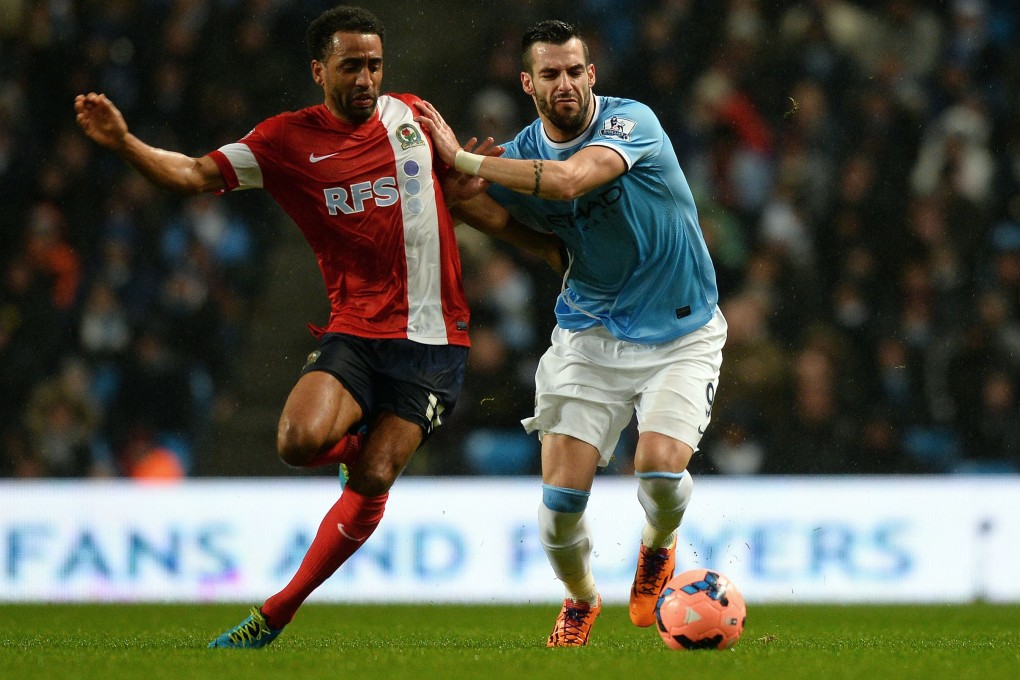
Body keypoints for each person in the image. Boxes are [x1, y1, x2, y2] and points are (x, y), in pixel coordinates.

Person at [75, 5, 559, 649]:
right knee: (297, 442)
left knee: (379, 478)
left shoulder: (414, 116)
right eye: (351, 65)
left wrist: (548, 249)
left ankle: (273, 616)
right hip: (356, 330)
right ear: (319, 70)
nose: (366, 78)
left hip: (437, 339)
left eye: (375, 65)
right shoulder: (283, 141)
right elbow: (191, 174)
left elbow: (467, 200)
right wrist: (125, 143)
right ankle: (352, 455)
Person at [416, 19, 726, 647]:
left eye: (575, 70)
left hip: (682, 332)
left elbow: (569, 181)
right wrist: (461, 194)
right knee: (560, 507)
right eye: (551, 73)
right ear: (528, 82)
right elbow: (520, 228)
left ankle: (657, 549)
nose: (566, 83)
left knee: (661, 471)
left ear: (592, 74)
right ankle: (582, 599)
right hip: (588, 332)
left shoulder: (628, 122)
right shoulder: (524, 151)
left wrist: (464, 158)